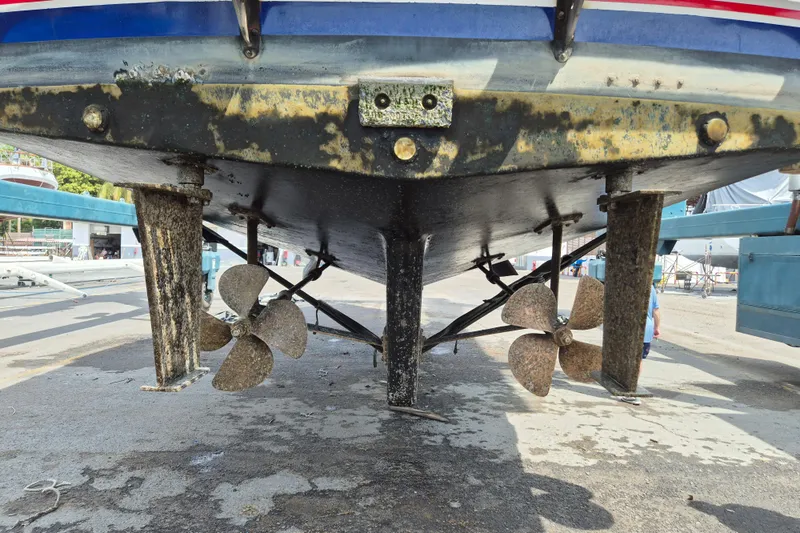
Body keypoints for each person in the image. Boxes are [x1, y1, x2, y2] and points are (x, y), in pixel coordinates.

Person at [618, 284, 660, 406]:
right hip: (647, 329)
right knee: (639, 360)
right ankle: (632, 386)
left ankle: (631, 390)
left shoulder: (627, 286)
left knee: (628, 359)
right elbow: (655, 310)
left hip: (630, 329)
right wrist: (657, 327)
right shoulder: (651, 288)